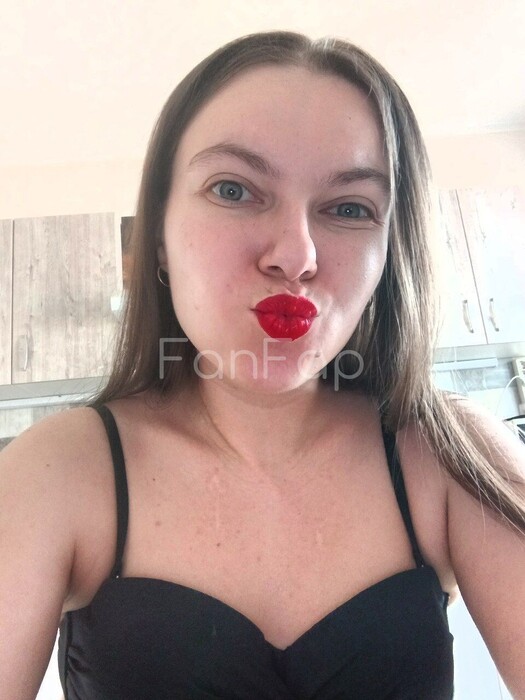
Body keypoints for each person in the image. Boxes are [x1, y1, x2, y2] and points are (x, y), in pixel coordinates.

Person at [1, 31, 524, 700]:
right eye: (234, 189)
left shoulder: (449, 456)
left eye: (349, 208)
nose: (296, 256)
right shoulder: (57, 471)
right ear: (156, 236)